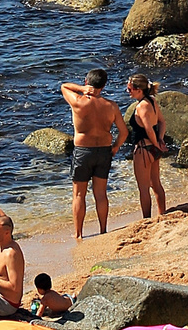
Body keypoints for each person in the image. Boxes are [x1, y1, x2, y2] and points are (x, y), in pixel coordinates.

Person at [61, 69, 127, 239]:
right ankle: (103, 229)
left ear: (86, 82)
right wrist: (115, 147)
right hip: (104, 151)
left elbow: (63, 87)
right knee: (100, 193)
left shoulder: (78, 101)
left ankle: (78, 233)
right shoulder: (111, 106)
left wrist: (82, 90)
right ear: (104, 86)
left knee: (78, 194)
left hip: (83, 151)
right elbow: (124, 132)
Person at [124, 74, 169, 220]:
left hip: (144, 150)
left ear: (138, 90)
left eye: (129, 88)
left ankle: (147, 219)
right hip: (153, 149)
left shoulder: (141, 107)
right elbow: (162, 122)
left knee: (143, 189)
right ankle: (162, 213)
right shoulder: (152, 100)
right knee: (156, 184)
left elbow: (149, 129)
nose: (127, 91)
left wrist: (157, 144)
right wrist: (160, 140)